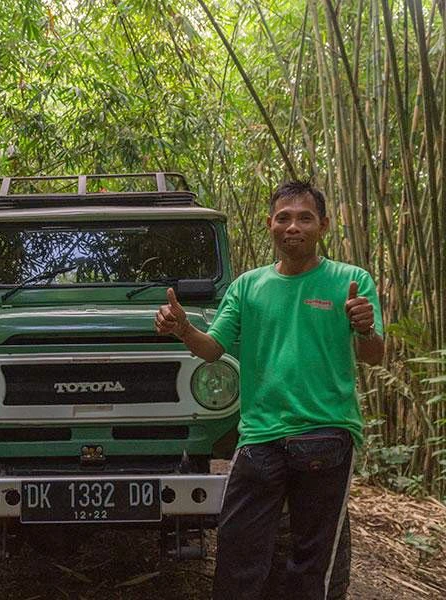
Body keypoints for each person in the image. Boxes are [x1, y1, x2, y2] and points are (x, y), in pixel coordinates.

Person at [155, 180, 384, 600]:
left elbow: (373, 356)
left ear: (323, 226)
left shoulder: (351, 281)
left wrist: (365, 326)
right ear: (269, 224)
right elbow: (212, 349)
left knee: (313, 563)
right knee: (238, 555)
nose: (292, 226)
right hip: (260, 437)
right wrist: (184, 329)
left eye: (304, 218)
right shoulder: (247, 286)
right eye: (284, 217)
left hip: (326, 434)